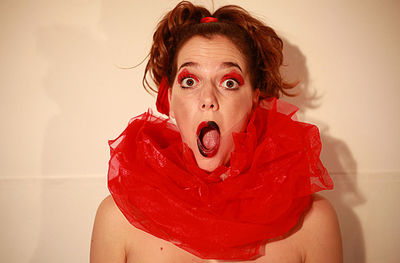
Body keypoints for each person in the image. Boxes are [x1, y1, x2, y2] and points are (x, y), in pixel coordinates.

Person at [90, 1, 342, 262]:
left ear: (254, 100)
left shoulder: (313, 222)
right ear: (169, 100)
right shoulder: (118, 220)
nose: (208, 98)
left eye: (229, 82)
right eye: (190, 81)